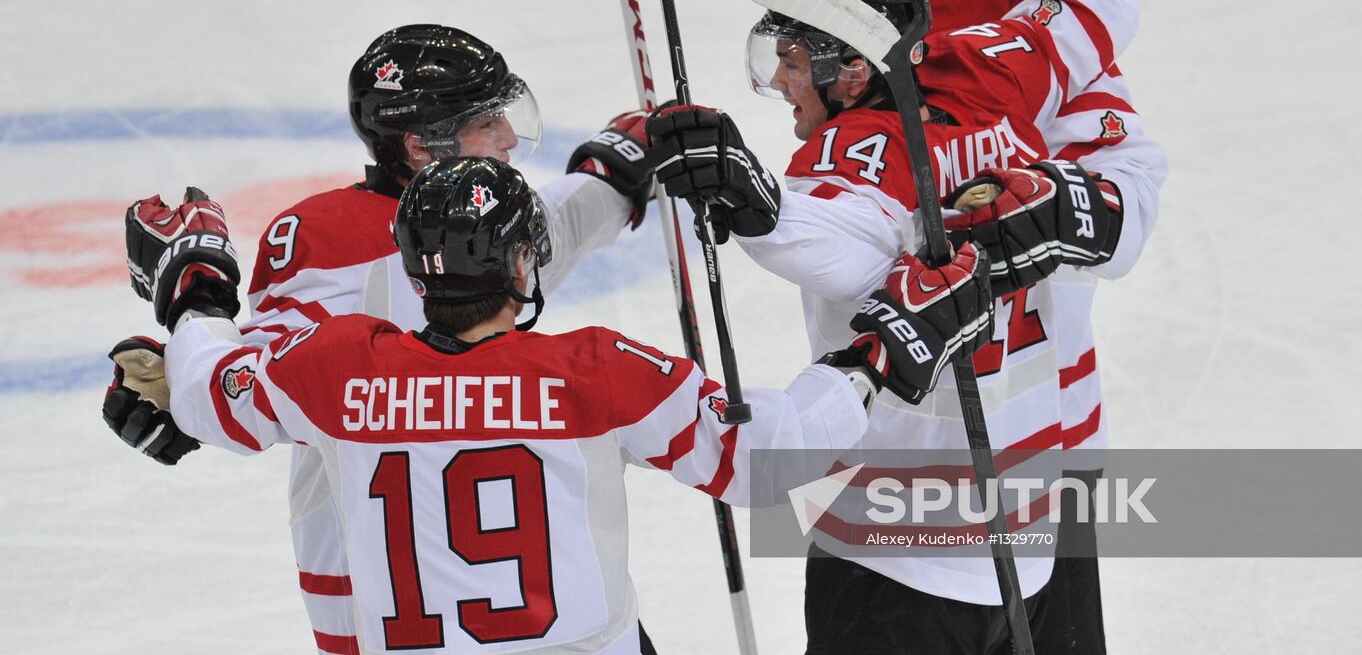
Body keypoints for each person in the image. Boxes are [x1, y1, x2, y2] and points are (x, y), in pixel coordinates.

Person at [544, 0, 1168, 652]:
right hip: (896, 488)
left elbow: (1122, 182)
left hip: (1044, 461)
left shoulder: (1033, 48)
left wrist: (1066, 214)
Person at [115, 153, 997, 655]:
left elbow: (201, 394)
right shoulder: (593, 371)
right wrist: (881, 351)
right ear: (523, 267)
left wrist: (196, 287)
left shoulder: (336, 371)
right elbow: (770, 458)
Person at [103, 23, 657, 655]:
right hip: (404, 597)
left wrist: (618, 165)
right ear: (421, 147)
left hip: (469, 594)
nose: (508, 136)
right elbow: (261, 381)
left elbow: (241, 389)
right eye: (486, 121)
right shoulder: (341, 244)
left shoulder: (478, 224)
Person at [647, 0, 1135, 654]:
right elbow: (1100, 2)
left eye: (793, 60)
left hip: (894, 560)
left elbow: (837, 235)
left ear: (851, 72)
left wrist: (757, 204)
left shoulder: (856, 149)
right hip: (1028, 539)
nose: (782, 81)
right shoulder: (995, 67)